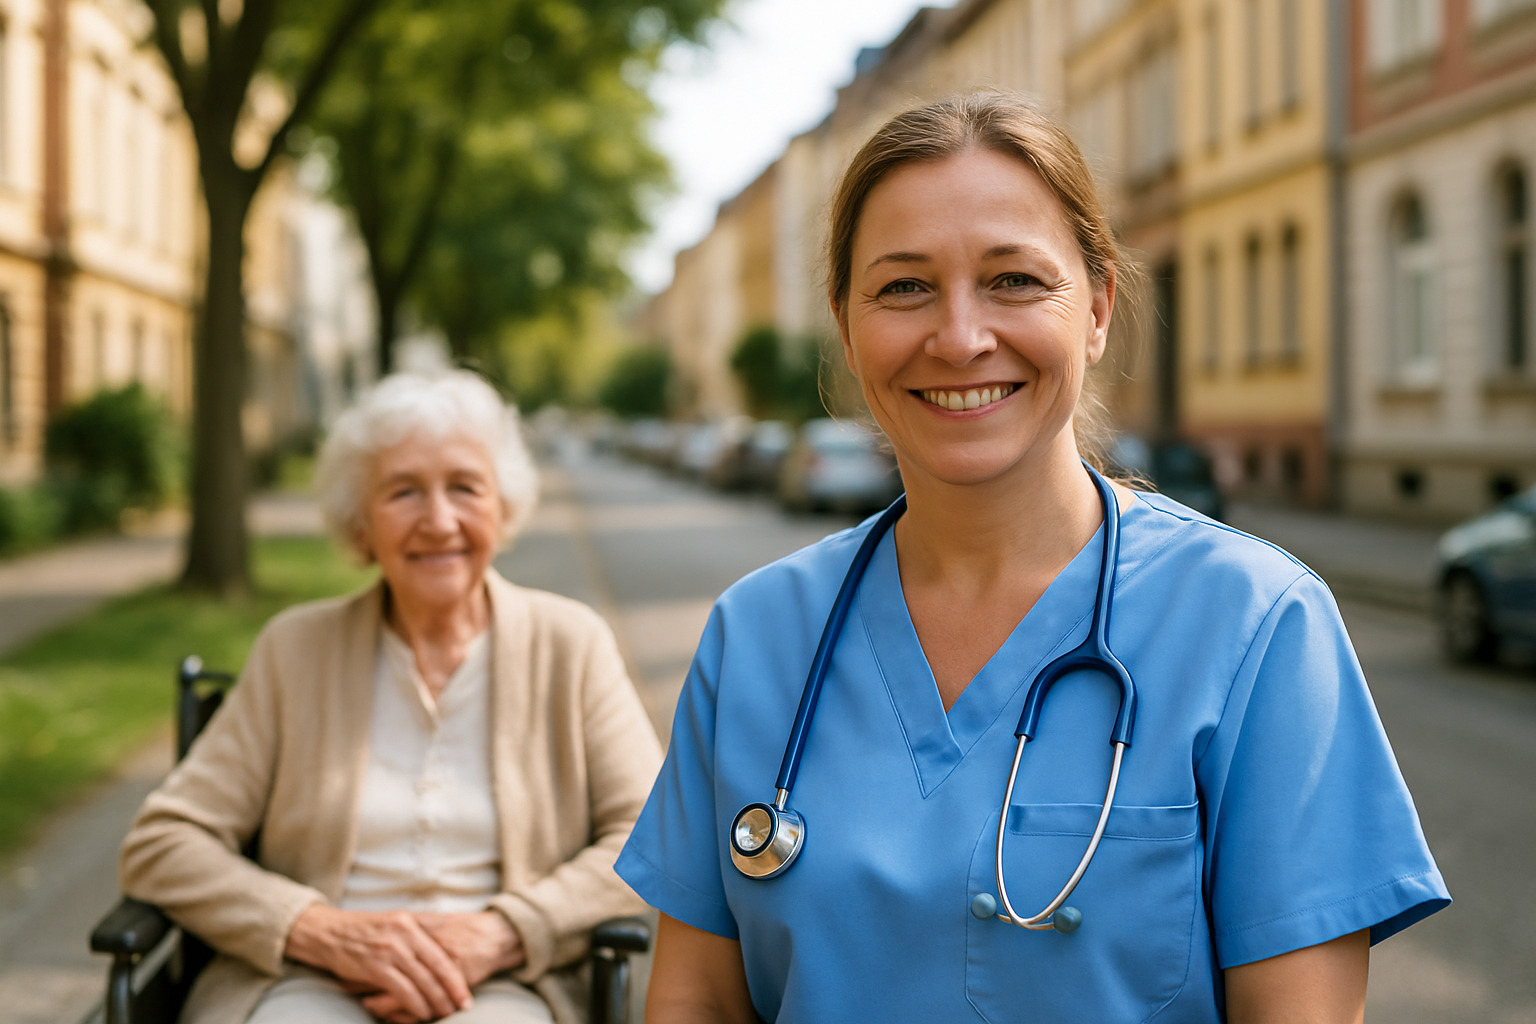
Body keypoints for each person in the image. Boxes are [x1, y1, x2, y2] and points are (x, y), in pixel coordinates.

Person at [615, 93, 1449, 1023]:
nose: (962, 336)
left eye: (1014, 280)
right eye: (903, 287)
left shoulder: (1256, 624)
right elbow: (694, 1002)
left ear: (1096, 309)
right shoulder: (759, 635)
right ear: (847, 330)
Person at [120, 369, 661, 1024]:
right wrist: (318, 931)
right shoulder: (296, 649)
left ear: (503, 506)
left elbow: (650, 838)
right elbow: (163, 842)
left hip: (504, 985)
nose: (439, 521)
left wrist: (504, 931)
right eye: (403, 491)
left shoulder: (571, 644)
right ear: (360, 523)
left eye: (465, 487)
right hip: (309, 981)